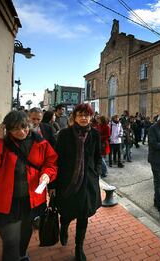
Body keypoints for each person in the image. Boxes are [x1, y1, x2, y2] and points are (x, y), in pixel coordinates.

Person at [0, 110, 58, 261]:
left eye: (24, 127)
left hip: (31, 200)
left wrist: (47, 174)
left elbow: (51, 163)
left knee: (25, 235)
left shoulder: (41, 143)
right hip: (6, 202)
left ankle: (22, 255)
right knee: (11, 243)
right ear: (7, 129)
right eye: (15, 129)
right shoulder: (2, 144)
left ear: (29, 125)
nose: (21, 132)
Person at [50, 103, 102, 261]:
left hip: (87, 183)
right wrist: (52, 185)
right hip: (67, 183)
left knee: (83, 216)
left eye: (87, 115)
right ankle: (64, 227)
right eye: (80, 115)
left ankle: (79, 248)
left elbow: (98, 157)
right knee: (66, 213)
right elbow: (56, 160)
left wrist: (96, 173)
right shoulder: (64, 134)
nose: (84, 118)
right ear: (74, 117)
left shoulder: (94, 134)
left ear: (91, 117)